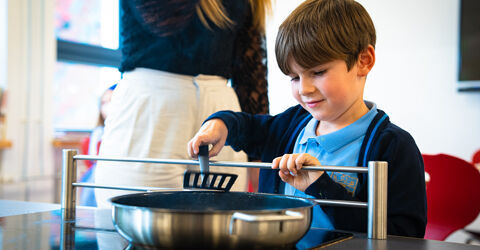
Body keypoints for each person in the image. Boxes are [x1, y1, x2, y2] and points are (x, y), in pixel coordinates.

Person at [188, 0, 427, 237]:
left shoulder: (394, 147)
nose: (304, 89)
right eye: (294, 77)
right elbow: (248, 126)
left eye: (318, 72)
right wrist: (220, 124)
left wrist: (321, 185)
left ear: (363, 61)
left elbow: (404, 236)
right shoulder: (290, 125)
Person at [94, 0, 272, 208]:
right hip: (151, 109)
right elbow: (162, 18)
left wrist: (257, 152)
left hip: (221, 110)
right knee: (131, 226)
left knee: (221, 233)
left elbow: (250, 67)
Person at [78, 84, 116, 207]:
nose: (107, 106)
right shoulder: (96, 133)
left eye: (111, 101)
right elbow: (91, 160)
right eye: (104, 102)